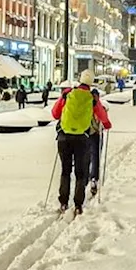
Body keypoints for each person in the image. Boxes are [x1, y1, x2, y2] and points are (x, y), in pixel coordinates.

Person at [50, 70, 97, 215]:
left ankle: (63, 202)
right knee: (80, 173)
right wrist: (106, 125)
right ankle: (78, 204)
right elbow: (101, 115)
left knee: (65, 171)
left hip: (64, 137)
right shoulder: (92, 97)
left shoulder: (68, 94)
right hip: (82, 139)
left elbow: (55, 113)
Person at [87, 88, 113, 197]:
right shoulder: (98, 106)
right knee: (95, 156)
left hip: (84, 134)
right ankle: (93, 178)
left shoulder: (85, 106)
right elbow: (104, 120)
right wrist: (107, 125)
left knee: (86, 156)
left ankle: (86, 177)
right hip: (95, 135)